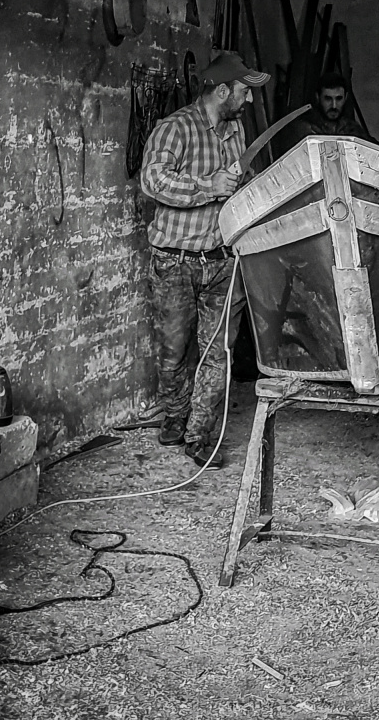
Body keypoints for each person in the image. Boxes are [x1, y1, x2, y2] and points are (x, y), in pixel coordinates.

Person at [139, 51, 270, 469]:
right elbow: (153, 181)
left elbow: (240, 183)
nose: (249, 101)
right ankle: (176, 413)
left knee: (219, 352)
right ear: (222, 90)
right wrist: (210, 186)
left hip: (221, 261)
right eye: (245, 92)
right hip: (174, 261)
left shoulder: (235, 132)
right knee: (174, 351)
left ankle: (200, 436)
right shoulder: (174, 129)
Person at [280, 71, 379, 152]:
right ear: (318, 97)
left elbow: (377, 152)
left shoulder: (351, 128)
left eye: (339, 99)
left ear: (346, 98)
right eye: (328, 99)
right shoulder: (304, 129)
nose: (334, 106)